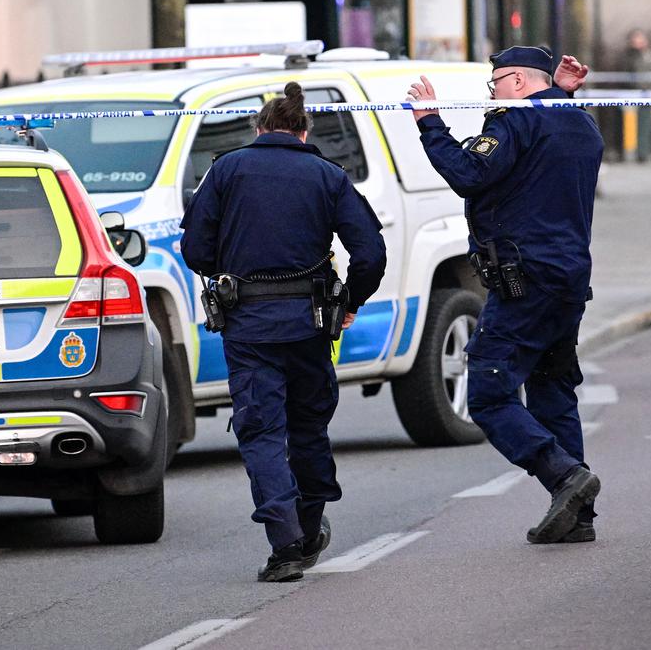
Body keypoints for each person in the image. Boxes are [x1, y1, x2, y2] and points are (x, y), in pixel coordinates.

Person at [180, 82, 387, 582]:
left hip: (248, 327)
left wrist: (229, 271)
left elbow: (194, 249)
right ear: (304, 130)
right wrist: (351, 302)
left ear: (259, 129)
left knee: (262, 432)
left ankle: (286, 543)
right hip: (311, 325)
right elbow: (371, 254)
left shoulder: (226, 169)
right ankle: (310, 526)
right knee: (309, 426)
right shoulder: (327, 174)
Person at [406, 47, 604, 544]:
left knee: (490, 394)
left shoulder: (514, 123)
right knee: (552, 391)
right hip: (568, 280)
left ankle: (563, 477)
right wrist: (559, 92)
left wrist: (430, 121)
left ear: (516, 82)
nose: (491, 95)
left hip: (526, 280)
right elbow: (547, 138)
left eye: (495, 84)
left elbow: (470, 174)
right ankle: (578, 516)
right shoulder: (580, 122)